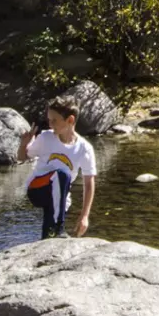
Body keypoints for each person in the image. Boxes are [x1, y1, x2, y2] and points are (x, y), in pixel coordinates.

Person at [16, 97, 96, 239]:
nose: (50, 124)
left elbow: (89, 184)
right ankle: (59, 228)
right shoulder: (46, 137)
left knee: (48, 237)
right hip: (37, 189)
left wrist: (85, 216)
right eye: (49, 120)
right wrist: (24, 144)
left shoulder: (84, 148)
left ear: (70, 120)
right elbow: (22, 158)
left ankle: (51, 237)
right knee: (63, 174)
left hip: (60, 199)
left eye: (55, 121)